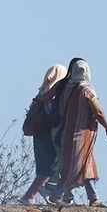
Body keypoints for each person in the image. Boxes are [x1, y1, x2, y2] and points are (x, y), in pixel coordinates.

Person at [57, 58, 107, 206]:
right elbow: (98, 111)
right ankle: (57, 194)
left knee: (87, 164)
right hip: (81, 135)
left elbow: (62, 111)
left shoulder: (67, 89)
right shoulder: (86, 90)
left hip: (69, 134)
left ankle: (94, 198)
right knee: (74, 167)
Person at [20, 63, 68, 204]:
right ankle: (30, 196)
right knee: (51, 165)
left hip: (38, 133)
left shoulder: (41, 92)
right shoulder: (53, 94)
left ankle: (49, 194)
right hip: (49, 133)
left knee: (43, 165)